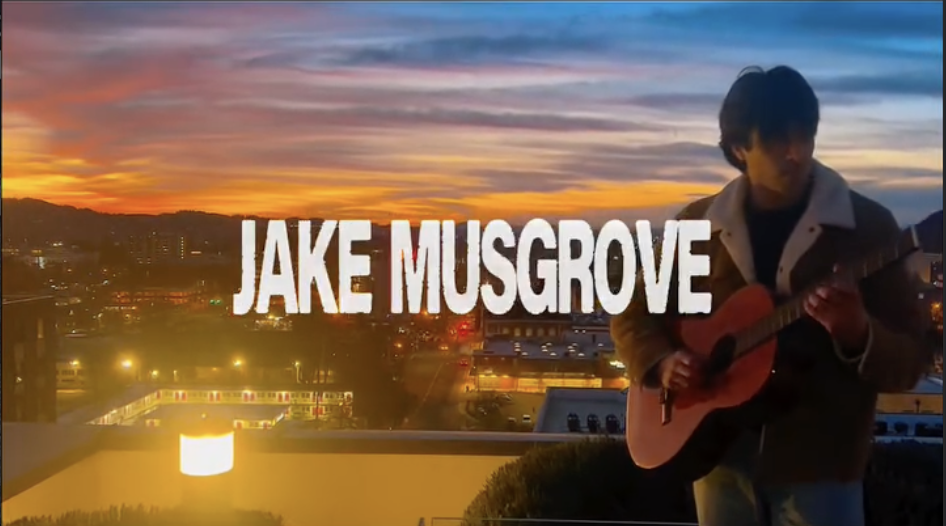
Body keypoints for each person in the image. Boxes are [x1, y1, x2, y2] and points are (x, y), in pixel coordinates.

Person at [611, 65, 930, 526]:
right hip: (718, 459)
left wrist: (858, 333)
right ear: (740, 148)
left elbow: (914, 357)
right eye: (779, 140)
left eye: (806, 136)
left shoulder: (869, 229)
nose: (797, 152)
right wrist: (661, 362)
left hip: (821, 468)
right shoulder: (695, 226)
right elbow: (633, 312)